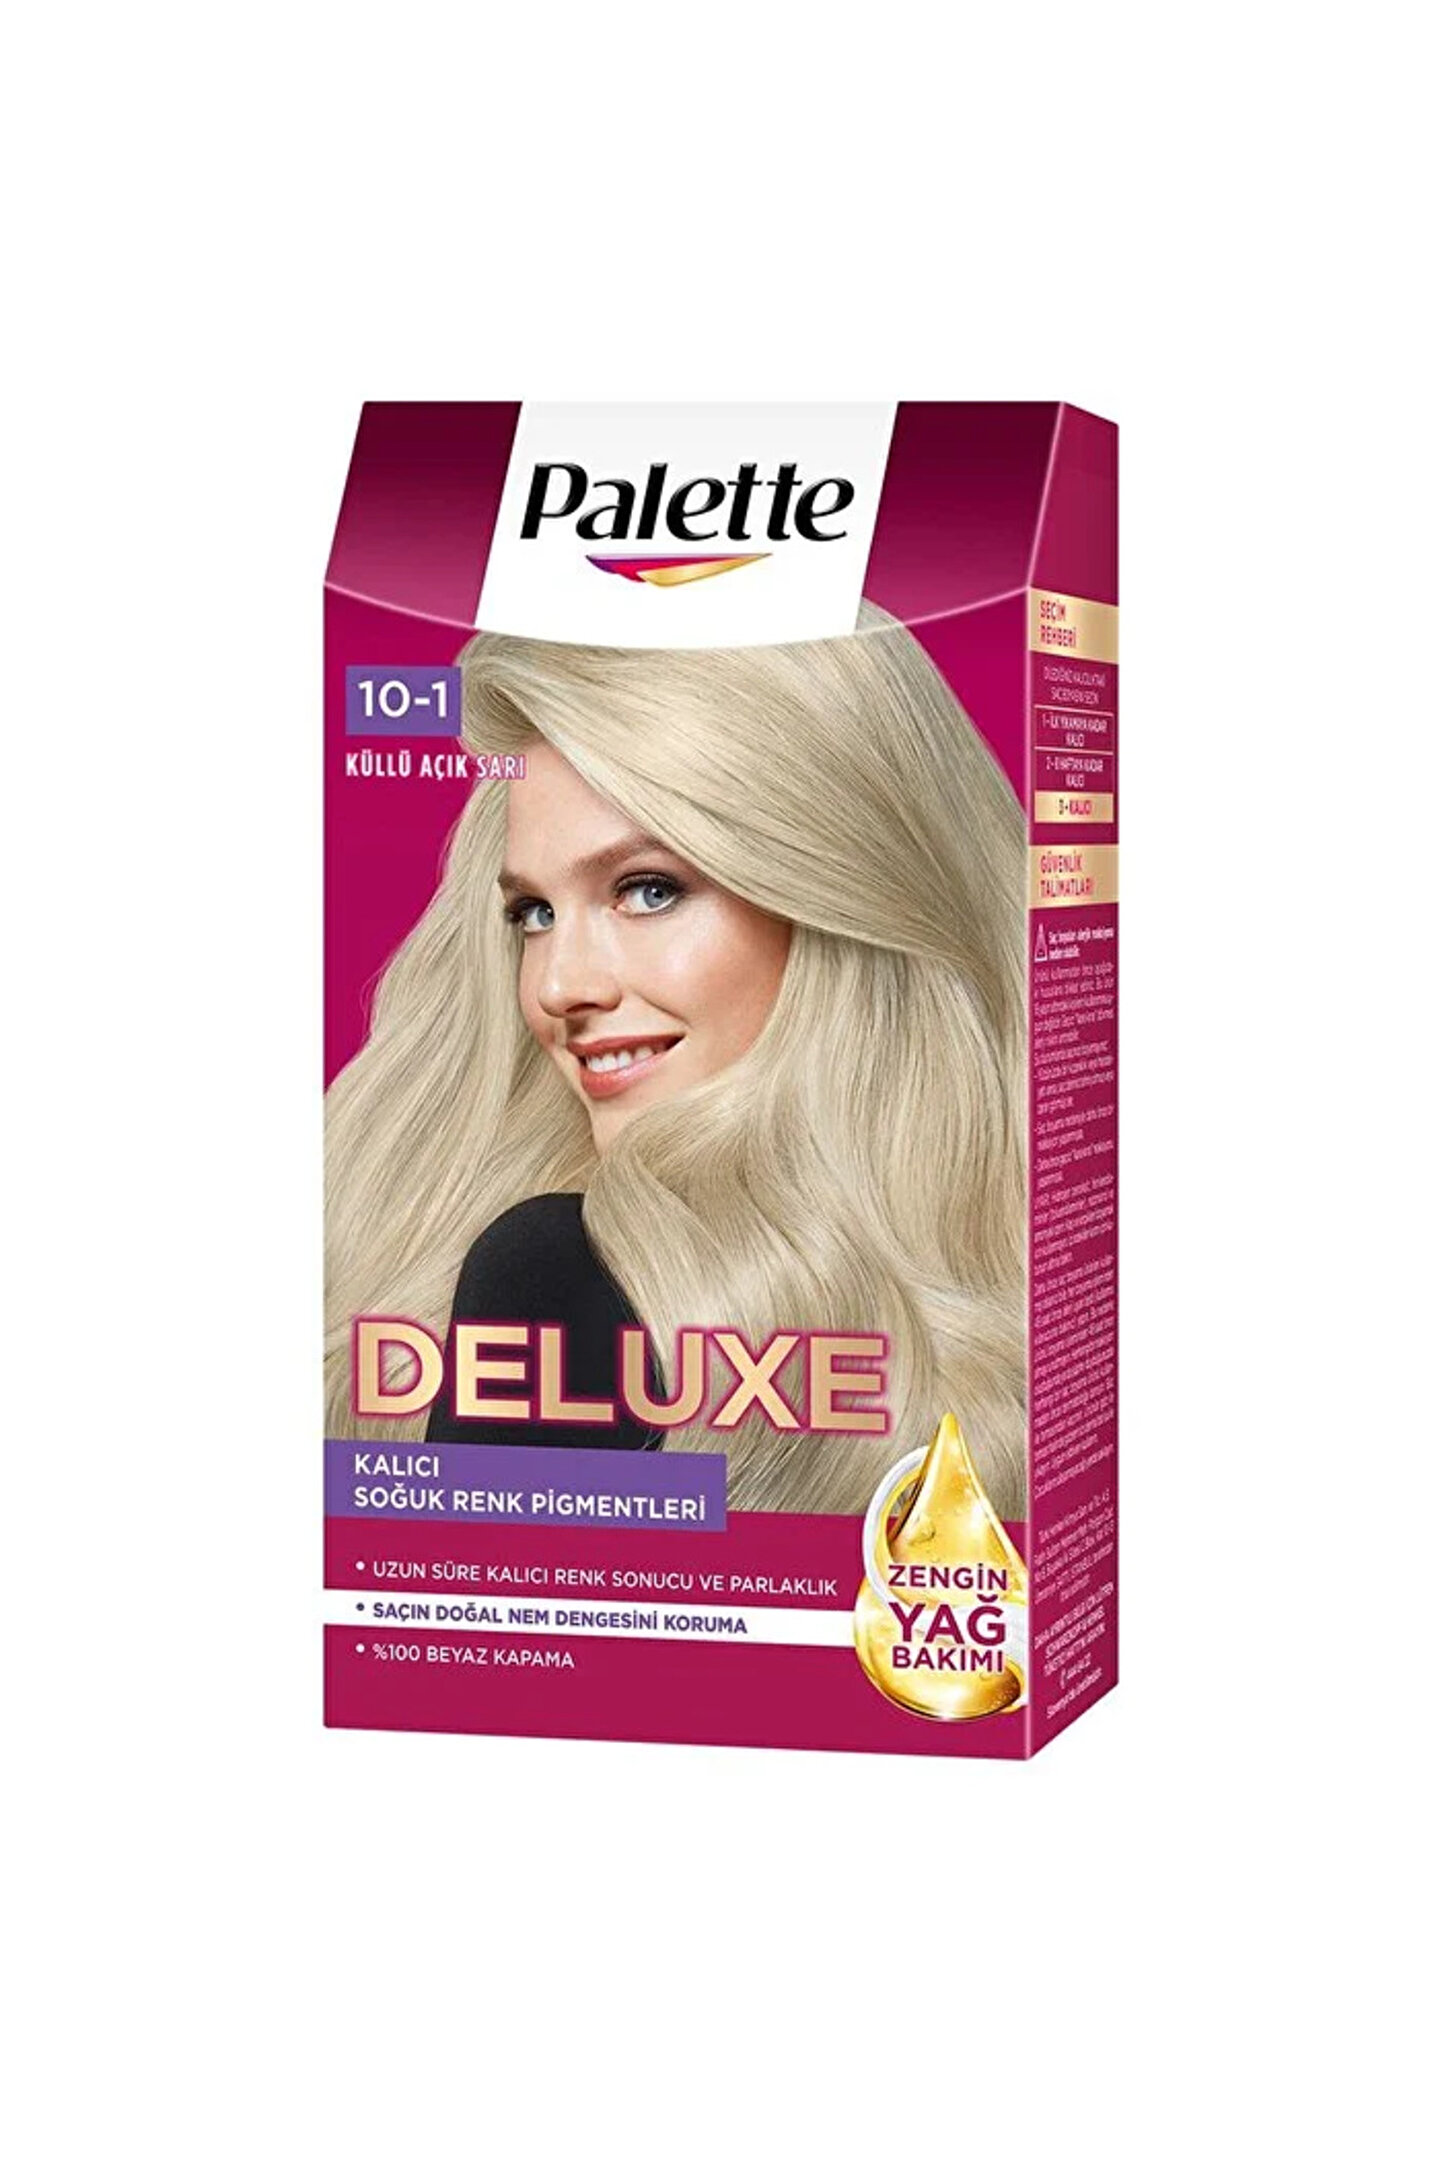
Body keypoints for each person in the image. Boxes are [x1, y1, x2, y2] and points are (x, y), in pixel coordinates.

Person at [325, 603, 1028, 1517]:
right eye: (533, 914)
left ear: (841, 889)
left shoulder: (562, 1283)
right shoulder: (559, 1277)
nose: (558, 986)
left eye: (648, 890)